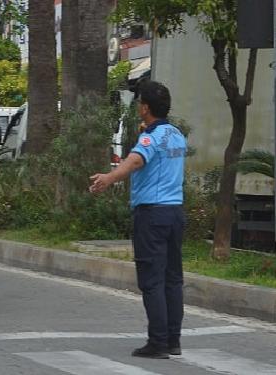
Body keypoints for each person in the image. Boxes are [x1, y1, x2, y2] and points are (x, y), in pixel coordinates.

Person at [89, 80, 187, 359]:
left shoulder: (148, 139)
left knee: (152, 280)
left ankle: (157, 343)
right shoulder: (177, 135)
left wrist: (108, 178)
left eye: (139, 103)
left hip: (152, 215)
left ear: (145, 108)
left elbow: (134, 162)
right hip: (174, 212)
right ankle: (173, 340)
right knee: (172, 279)